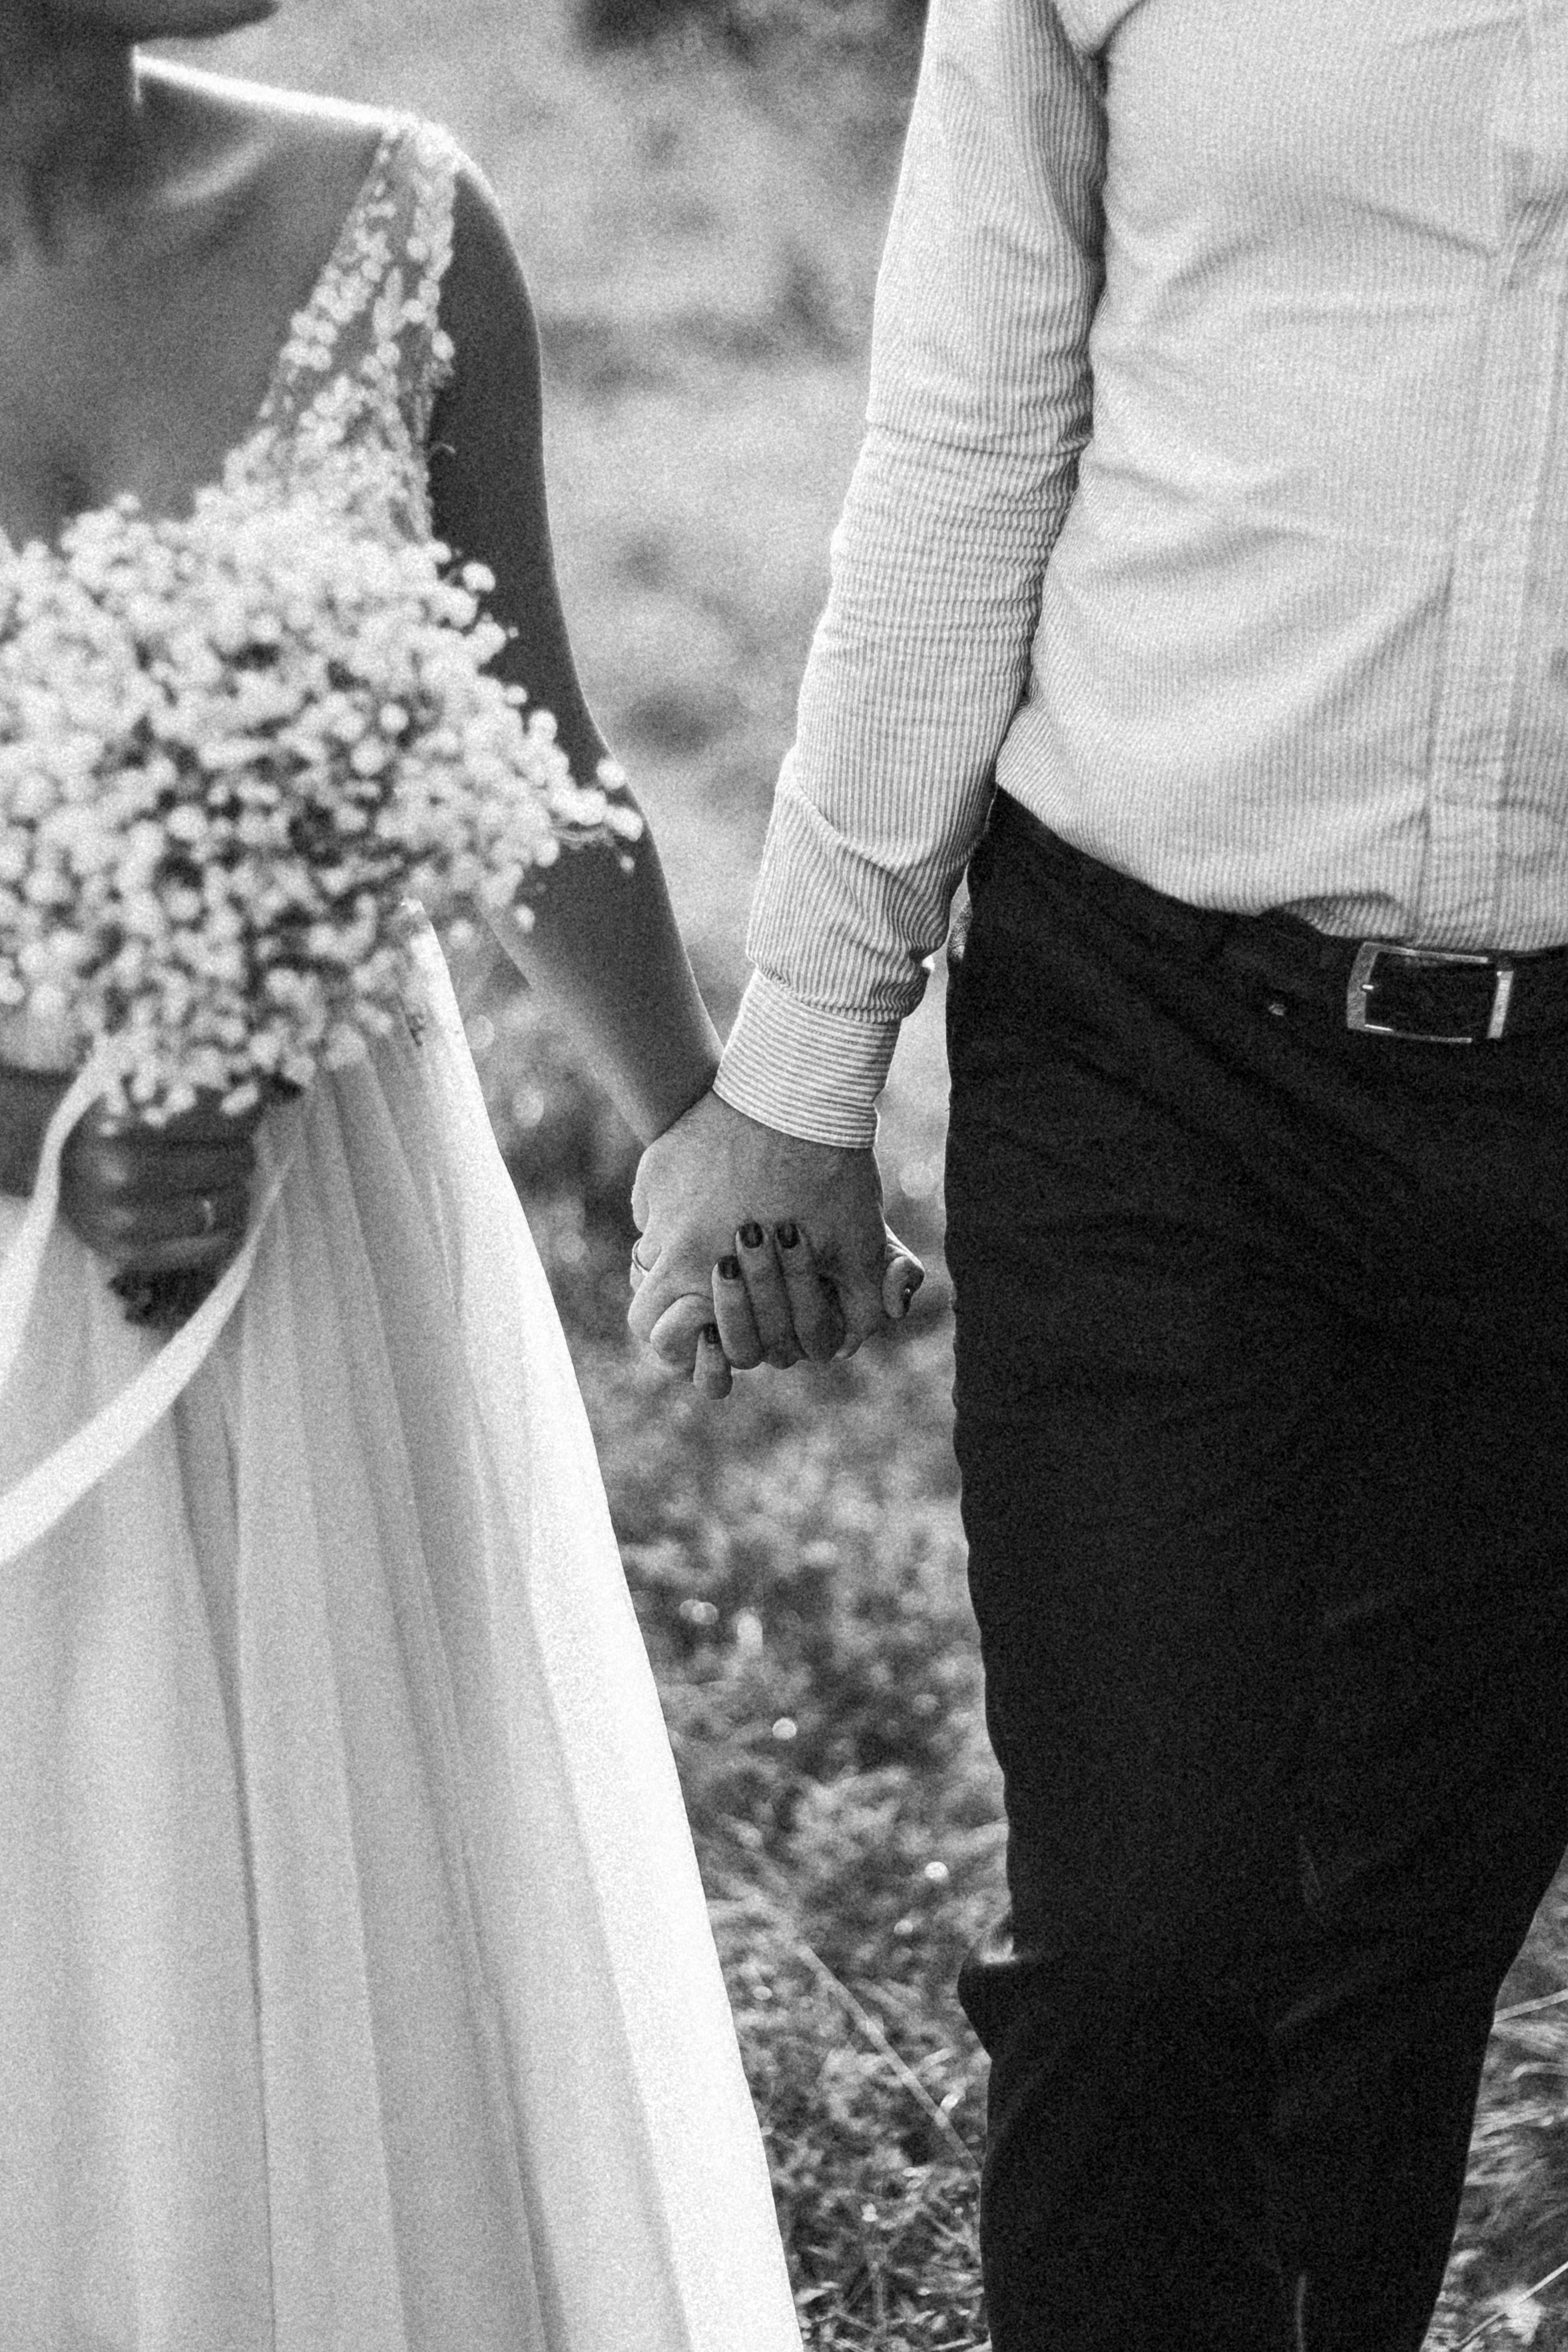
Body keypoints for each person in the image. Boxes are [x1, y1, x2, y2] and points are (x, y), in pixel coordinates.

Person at [630, 2, 1568, 2346]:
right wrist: (801, 1069)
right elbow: (967, 423)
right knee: (1146, 1940)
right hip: (1152, 1032)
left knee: (1400, 1943)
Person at [0, 3, 808, 2344]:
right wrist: (40, 1128)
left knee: (344, 1902)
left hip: (319, 1213)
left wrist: (721, 1133)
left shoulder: (395, 215)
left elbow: (533, 759)